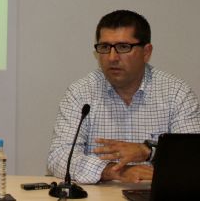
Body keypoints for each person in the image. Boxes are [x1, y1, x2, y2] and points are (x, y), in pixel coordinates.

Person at [47, 10, 200, 184]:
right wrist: (115, 171)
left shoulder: (177, 93)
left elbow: (194, 158)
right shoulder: (80, 93)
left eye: (123, 47)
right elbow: (59, 157)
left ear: (146, 52)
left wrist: (149, 152)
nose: (112, 57)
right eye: (105, 47)